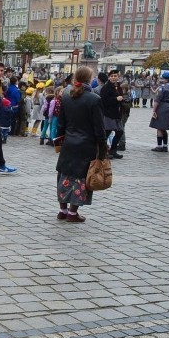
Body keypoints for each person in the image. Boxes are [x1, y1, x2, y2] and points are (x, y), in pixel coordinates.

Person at [55, 66, 108, 223]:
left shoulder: (66, 95)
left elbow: (60, 124)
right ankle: (72, 213)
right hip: (86, 144)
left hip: (69, 142)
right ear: (89, 79)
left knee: (64, 175)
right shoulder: (94, 99)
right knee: (80, 178)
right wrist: (103, 149)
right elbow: (99, 128)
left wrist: (60, 141)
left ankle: (62, 210)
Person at [99, 70, 124, 159]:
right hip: (108, 113)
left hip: (117, 113)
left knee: (120, 132)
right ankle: (103, 151)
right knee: (107, 132)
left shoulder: (118, 86)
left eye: (115, 76)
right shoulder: (106, 88)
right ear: (109, 77)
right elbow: (104, 101)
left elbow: (121, 97)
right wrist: (115, 99)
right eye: (112, 76)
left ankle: (113, 150)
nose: (114, 77)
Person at [151, 72, 169, 152]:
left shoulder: (163, 88)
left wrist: (154, 110)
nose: (161, 80)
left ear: (166, 79)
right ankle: (165, 145)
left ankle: (159, 146)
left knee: (159, 127)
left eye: (162, 78)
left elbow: (157, 100)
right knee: (164, 127)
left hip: (163, 107)